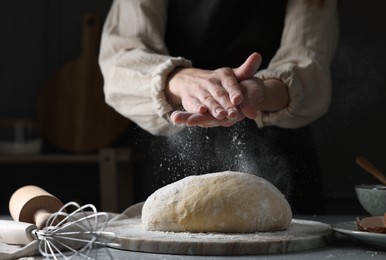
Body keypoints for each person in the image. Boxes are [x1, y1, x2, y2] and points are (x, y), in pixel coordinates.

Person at [99, 0, 339, 214]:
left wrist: (261, 92)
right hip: (177, 147)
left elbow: (310, 63)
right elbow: (120, 62)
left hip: (281, 148)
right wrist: (180, 80)